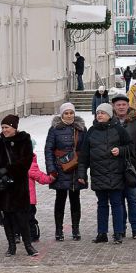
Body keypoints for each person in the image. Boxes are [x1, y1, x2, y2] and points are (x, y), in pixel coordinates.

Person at [77, 103, 133, 244]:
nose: (100, 115)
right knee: (101, 204)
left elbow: (130, 147)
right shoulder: (91, 131)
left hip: (116, 173)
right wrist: (82, 174)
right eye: (98, 113)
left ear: (109, 115)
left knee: (116, 203)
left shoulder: (119, 129)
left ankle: (118, 233)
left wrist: (120, 150)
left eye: (103, 113)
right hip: (98, 174)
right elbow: (84, 156)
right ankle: (102, 233)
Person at [0, 114, 38, 256]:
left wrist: (8, 170)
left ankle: (28, 246)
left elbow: (25, 162)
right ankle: (11, 246)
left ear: (14, 128)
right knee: (7, 218)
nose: (4, 130)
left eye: (7, 127)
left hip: (18, 186)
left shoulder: (24, 140)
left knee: (22, 217)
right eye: (3, 127)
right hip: (3, 187)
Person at [44, 103, 86, 241]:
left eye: (71, 113)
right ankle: (58, 230)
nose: (69, 116)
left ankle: (75, 229)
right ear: (61, 115)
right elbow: (48, 150)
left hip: (76, 169)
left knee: (75, 200)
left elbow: (85, 151)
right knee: (60, 200)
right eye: (66, 113)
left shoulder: (81, 129)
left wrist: (82, 171)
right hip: (60, 169)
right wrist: (51, 169)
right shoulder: (54, 129)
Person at [112, 94, 136, 239]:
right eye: (118, 105)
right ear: (114, 107)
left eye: (123, 104)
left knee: (132, 198)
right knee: (118, 200)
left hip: (131, 167)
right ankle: (120, 228)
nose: (121, 107)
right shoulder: (110, 122)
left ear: (128, 106)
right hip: (114, 167)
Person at [26, 141, 54, 242]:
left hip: (29, 199)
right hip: (18, 198)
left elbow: (40, 177)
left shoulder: (31, 165)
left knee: (30, 218)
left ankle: (34, 235)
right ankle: (18, 234)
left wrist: (50, 179)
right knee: (18, 217)